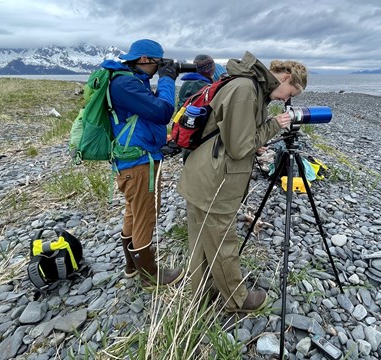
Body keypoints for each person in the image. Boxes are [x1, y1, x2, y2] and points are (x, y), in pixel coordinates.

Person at [177, 51, 307, 312]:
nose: (286, 100)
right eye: (290, 93)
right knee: (223, 243)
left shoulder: (247, 85)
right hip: (216, 181)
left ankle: (201, 294)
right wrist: (274, 125)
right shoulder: (247, 89)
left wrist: (254, 141)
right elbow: (238, 147)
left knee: (202, 242)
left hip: (203, 175)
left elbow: (234, 135)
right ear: (285, 77)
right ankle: (236, 300)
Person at [101, 39, 184, 287]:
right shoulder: (125, 83)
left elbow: (149, 112)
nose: (160, 68)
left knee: (134, 212)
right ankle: (150, 274)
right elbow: (163, 112)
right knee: (145, 214)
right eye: (158, 63)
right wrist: (169, 79)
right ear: (145, 59)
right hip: (138, 162)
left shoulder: (130, 80)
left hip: (133, 160)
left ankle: (131, 265)